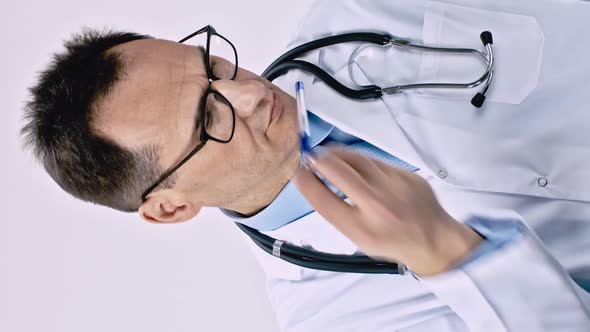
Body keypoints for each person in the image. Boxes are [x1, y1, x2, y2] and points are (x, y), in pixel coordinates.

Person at [21, 0, 590, 331]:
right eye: (208, 122)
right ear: (171, 207)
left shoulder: (359, 16)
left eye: (213, 67)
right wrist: (452, 257)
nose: (250, 95)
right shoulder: (333, 316)